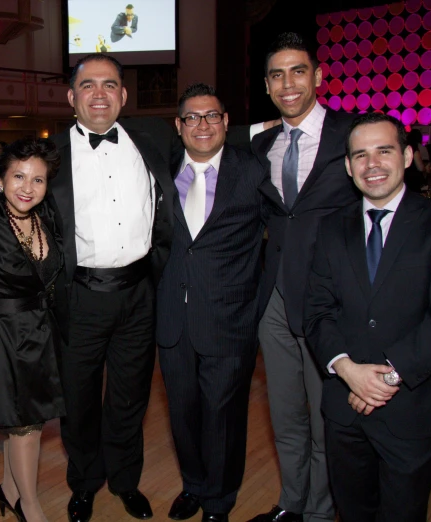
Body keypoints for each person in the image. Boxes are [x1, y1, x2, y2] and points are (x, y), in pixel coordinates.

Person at [303, 113, 431, 522]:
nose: (371, 164)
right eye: (360, 155)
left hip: (413, 406)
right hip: (345, 408)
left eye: (384, 151)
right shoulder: (330, 228)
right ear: (347, 166)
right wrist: (348, 371)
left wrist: (387, 378)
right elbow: (317, 311)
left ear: (408, 156)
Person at [47, 53, 178, 522]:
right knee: (78, 401)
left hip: (140, 294)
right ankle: (84, 483)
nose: (99, 94)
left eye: (109, 85)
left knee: (130, 396)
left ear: (123, 95)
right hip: (79, 296)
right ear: (71, 97)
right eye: (87, 85)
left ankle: (125, 480)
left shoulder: (155, 139)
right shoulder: (50, 156)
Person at [246, 32, 359, 522]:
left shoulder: (352, 135)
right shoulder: (263, 143)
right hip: (273, 296)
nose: (288, 83)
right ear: (267, 86)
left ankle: (320, 511)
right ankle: (292, 504)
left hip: (327, 300)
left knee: (324, 416)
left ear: (317, 75)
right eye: (276, 74)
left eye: (297, 71)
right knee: (286, 416)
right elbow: (207, 137)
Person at [156, 84, 268, 522]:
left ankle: (219, 501)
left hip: (231, 319)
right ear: (178, 126)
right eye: (192, 117)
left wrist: (260, 302)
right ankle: (194, 486)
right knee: (182, 414)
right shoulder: (160, 172)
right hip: (172, 319)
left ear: (225, 122)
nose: (202, 125)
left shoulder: (254, 171)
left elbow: (285, 235)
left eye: (211, 116)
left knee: (224, 417)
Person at [0, 137, 66, 522]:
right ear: (0, 180)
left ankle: (8, 490)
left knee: (26, 420)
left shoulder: (46, 216)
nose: (28, 187)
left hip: (40, 333)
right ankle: (30, 506)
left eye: (38, 180)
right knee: (24, 426)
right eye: (19, 176)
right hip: (1, 335)